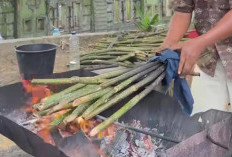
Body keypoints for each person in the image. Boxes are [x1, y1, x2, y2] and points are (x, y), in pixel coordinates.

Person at [158, 0, 232, 114]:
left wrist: (201, 42)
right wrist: (168, 46)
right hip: (209, 61)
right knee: (202, 122)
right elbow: (182, 11)